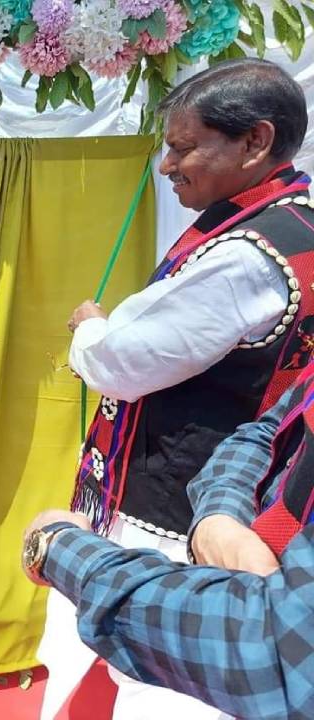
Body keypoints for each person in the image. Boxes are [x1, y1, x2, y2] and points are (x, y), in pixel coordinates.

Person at [38, 58, 314, 719]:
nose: (167, 165)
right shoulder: (293, 219)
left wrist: (91, 330)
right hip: (235, 488)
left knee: (157, 677)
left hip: (176, 501)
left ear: (256, 142)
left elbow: (125, 363)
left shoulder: (246, 255)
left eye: (183, 147)